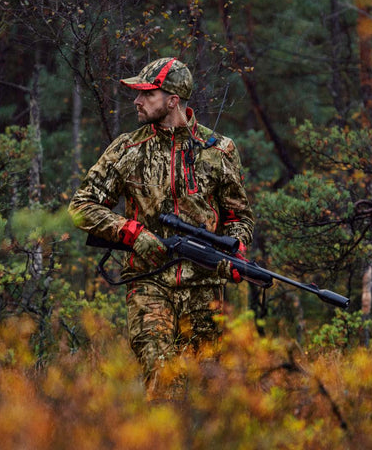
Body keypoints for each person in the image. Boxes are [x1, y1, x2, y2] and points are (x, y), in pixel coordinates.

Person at [68, 57, 254, 397]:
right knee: (164, 383)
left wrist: (237, 250)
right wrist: (131, 232)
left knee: (206, 393)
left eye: (147, 94)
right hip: (148, 283)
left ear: (172, 100)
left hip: (204, 287)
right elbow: (81, 207)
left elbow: (238, 216)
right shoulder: (127, 148)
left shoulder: (219, 150)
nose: (137, 102)